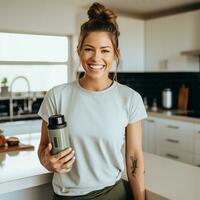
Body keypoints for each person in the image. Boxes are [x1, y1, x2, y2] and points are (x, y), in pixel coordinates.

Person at [37, 2, 147, 200]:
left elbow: (134, 159)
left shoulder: (130, 99)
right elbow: (43, 150)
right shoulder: (56, 96)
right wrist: (47, 161)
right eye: (89, 49)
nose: (96, 58)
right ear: (78, 50)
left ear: (116, 53)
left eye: (105, 50)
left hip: (112, 195)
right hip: (65, 196)